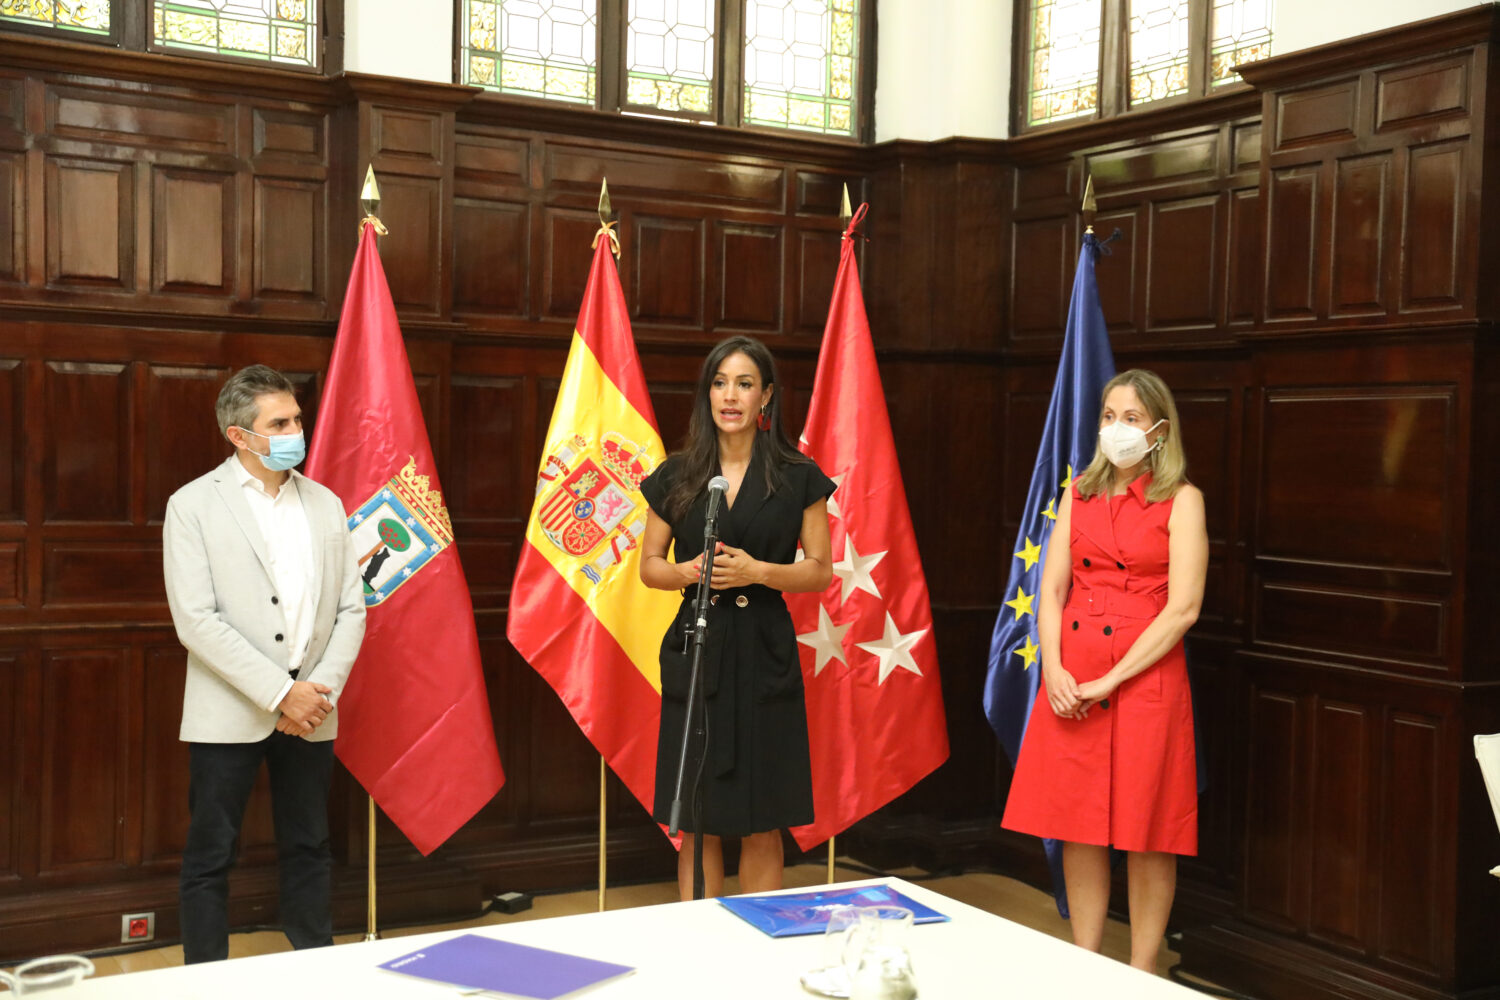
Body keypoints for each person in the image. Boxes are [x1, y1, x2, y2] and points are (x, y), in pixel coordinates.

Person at [1000, 369, 1207, 973]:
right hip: (1074, 673)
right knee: (1078, 822)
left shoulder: (1182, 499)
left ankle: (1143, 973)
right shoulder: (1079, 493)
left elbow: (1184, 608)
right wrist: (1055, 670)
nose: (1117, 429)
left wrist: (1113, 681)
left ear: (1159, 431)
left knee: (1150, 829)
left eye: (1132, 418)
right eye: (1109, 417)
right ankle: (1086, 964)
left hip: (1145, 678)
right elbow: (1050, 591)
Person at [162, 365, 366, 963]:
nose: (295, 431)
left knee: (310, 846)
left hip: (313, 710)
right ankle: (205, 980)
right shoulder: (193, 505)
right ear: (239, 435)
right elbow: (196, 620)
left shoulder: (326, 502)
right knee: (211, 854)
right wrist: (281, 693)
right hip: (230, 710)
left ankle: (316, 968)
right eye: (279, 424)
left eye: (296, 419)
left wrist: (315, 691)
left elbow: (351, 609)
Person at [638, 336, 835, 900]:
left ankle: (758, 936)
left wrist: (758, 571)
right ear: (707, 394)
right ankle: (698, 939)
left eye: (744, 384)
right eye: (720, 383)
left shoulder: (798, 475)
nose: (731, 396)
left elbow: (819, 571)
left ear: (765, 396)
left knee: (762, 815)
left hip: (763, 649)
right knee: (697, 818)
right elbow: (650, 567)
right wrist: (688, 571)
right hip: (699, 648)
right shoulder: (677, 474)